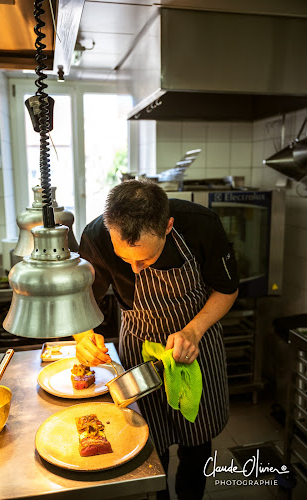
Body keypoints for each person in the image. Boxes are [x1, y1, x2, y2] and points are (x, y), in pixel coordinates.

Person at [74, 179, 239, 500]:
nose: (136, 270)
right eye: (126, 259)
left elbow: (227, 289)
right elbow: (81, 301)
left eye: (146, 260)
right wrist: (83, 335)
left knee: (197, 442)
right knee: (149, 442)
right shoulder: (96, 237)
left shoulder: (202, 225)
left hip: (196, 341)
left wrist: (193, 331)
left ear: (168, 226)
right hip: (138, 343)